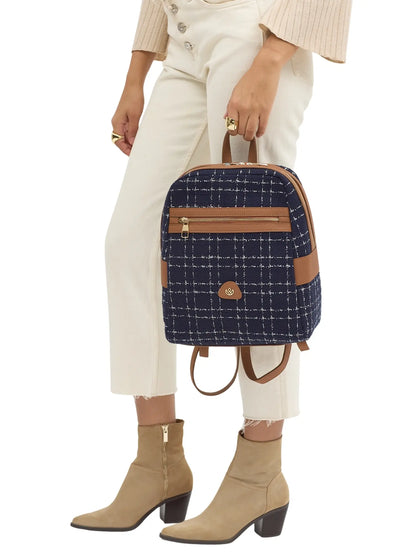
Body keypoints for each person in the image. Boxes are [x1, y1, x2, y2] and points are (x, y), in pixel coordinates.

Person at [71, 0, 352, 544]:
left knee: (257, 259)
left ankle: (258, 473)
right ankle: (157, 464)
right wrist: (136, 74)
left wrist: (271, 57)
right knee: (131, 243)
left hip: (254, 33)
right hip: (183, 42)